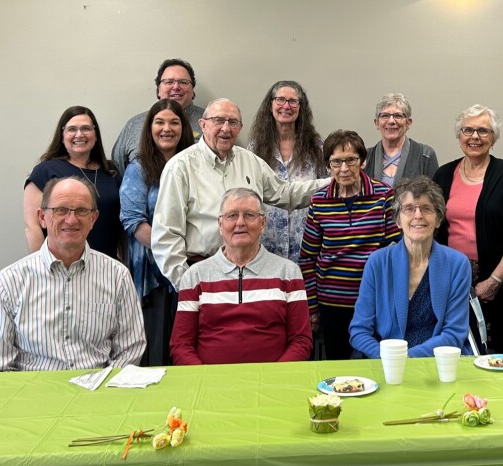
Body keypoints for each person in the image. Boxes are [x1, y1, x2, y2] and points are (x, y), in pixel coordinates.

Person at [151, 98, 330, 290]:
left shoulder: (250, 161)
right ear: (203, 125)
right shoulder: (180, 167)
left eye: (233, 122)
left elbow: (286, 193)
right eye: (218, 120)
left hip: (250, 274)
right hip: (202, 274)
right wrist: (188, 285)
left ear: (240, 127)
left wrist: (333, 182)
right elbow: (166, 237)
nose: (226, 128)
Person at [0, 177, 145, 372]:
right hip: (34, 397)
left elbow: (130, 350)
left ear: (93, 219)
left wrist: (102, 392)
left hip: (97, 395)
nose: (71, 219)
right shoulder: (8, 282)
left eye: (82, 211)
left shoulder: (117, 276)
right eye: (60, 210)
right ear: (42, 217)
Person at [170, 188, 312, 364]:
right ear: (220, 225)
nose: (240, 222)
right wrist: (205, 381)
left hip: (272, 383)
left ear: (263, 223)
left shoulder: (289, 273)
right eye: (231, 216)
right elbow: (181, 345)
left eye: (250, 215)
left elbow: (301, 341)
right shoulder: (195, 276)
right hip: (211, 384)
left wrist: (276, 378)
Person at [299, 130, 402, 360]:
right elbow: (307, 258)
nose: (344, 168)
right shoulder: (319, 201)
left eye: (350, 160)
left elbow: (396, 250)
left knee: (376, 365)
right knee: (339, 366)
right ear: (328, 165)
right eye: (336, 162)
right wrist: (313, 308)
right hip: (331, 302)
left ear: (362, 161)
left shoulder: (383, 196)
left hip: (374, 301)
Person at [433, 105, 503, 353]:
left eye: (483, 131)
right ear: (459, 135)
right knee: (451, 349)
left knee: (491, 355)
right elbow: (432, 230)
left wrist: (494, 281)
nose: (475, 137)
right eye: (468, 130)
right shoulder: (443, 174)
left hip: (496, 282)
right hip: (450, 281)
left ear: (493, 137)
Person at [350, 177, 471, 358]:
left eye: (426, 208)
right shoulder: (378, 262)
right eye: (409, 209)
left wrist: (409, 358)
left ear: (439, 219)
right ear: (397, 220)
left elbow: (454, 333)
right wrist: (388, 358)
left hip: (437, 363)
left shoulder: (457, 264)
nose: (418, 215)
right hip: (385, 363)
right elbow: (359, 331)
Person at [119, 99, 195, 366]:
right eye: (159, 122)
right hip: (153, 276)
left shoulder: (193, 167)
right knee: (157, 351)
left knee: (189, 348)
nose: (167, 128)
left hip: (193, 271)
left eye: (174, 122)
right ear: (149, 128)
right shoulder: (138, 169)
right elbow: (133, 222)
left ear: (184, 128)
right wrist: (171, 254)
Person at [24, 106, 124, 260]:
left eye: (86, 128)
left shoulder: (112, 171)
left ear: (95, 134)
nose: (79, 134)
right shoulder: (45, 171)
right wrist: (42, 269)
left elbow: (122, 227)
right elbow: (33, 227)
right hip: (59, 267)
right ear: (62, 135)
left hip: (106, 268)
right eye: (72, 129)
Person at [247, 80, 327, 262]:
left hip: (307, 246)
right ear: (270, 105)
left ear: (301, 107)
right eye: (280, 100)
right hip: (266, 247)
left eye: (293, 101)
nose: (286, 106)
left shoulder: (317, 147)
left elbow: (327, 195)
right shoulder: (255, 148)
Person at [111, 58, 205, 171]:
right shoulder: (134, 125)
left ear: (193, 89)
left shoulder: (210, 122)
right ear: (158, 90)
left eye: (183, 82)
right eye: (169, 82)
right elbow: (118, 168)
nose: (176, 87)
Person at [364, 93, 439, 187]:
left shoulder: (425, 155)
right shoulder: (364, 157)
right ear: (376, 123)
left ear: (408, 122)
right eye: (385, 116)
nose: (391, 121)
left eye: (398, 116)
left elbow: (435, 197)